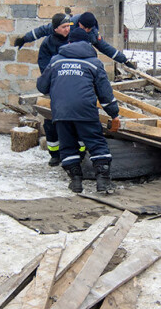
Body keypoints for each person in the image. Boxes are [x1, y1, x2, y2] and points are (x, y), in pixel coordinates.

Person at [37, 27, 121, 194]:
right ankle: (103, 181)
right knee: (96, 143)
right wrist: (114, 114)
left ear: (68, 42)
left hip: (60, 111)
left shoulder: (55, 61)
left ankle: (76, 181)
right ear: (89, 44)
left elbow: (41, 86)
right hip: (85, 110)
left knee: (68, 145)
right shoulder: (94, 63)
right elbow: (105, 93)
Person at [14, 11, 137, 70]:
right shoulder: (66, 26)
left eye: (87, 29)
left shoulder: (92, 34)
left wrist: (124, 60)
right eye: (83, 28)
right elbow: (41, 30)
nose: (85, 31)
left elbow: (106, 48)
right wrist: (24, 39)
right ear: (79, 23)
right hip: (55, 55)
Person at [36, 13, 71, 166]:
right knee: (51, 121)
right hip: (54, 88)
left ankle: (72, 153)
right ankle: (54, 154)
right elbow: (45, 69)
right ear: (55, 28)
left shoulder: (73, 40)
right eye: (64, 27)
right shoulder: (47, 44)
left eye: (68, 26)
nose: (67, 29)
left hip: (71, 87)